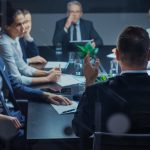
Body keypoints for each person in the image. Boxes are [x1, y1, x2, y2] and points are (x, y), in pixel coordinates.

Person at [72, 26, 150, 138]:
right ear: (149, 55)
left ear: (117, 55)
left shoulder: (97, 92)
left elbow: (80, 131)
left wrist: (89, 83)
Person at [0, 9, 61, 86]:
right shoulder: (4, 43)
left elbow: (23, 68)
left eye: (23, 23)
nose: (23, 28)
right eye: (18, 24)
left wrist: (47, 73)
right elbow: (17, 79)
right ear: (7, 27)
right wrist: (48, 78)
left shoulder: (15, 37)